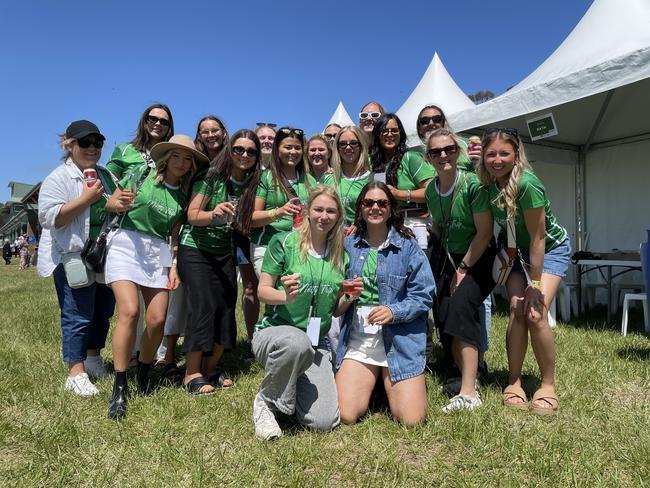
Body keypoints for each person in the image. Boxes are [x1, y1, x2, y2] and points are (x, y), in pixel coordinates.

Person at [104, 134, 206, 419]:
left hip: (158, 251)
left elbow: (174, 235)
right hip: (126, 243)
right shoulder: (141, 174)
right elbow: (110, 204)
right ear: (166, 157)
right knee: (130, 311)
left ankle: (144, 372)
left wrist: (173, 265)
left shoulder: (184, 195)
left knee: (158, 319)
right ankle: (120, 386)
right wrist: (117, 204)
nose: (182, 163)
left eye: (188, 159)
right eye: (177, 156)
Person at [478, 128, 571, 415]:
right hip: (515, 253)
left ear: (516, 154)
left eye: (504, 153)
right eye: (490, 153)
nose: (497, 159)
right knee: (517, 312)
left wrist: (536, 282)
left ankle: (547, 385)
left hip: (547, 249)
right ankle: (514, 381)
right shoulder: (489, 184)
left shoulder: (528, 184)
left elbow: (539, 238)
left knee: (535, 312)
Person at [252, 186, 356, 440]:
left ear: (338, 216)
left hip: (315, 342)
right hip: (277, 334)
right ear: (308, 212)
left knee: (324, 422)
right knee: (295, 344)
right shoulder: (284, 242)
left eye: (331, 211)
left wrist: (349, 297)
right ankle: (266, 402)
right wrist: (284, 297)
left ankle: (291, 382)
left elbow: (334, 309)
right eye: (318, 209)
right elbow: (262, 291)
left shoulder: (341, 256)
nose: (324, 216)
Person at [336, 182, 435, 425]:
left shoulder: (408, 246)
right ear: (360, 207)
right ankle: (377, 383)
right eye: (368, 203)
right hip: (359, 339)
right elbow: (334, 291)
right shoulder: (347, 244)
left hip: (399, 339)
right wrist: (348, 294)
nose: (375, 208)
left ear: (391, 209)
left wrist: (394, 311)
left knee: (412, 420)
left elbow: (424, 295)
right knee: (346, 414)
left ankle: (385, 382)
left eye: (382, 203)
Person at [37, 120, 117, 396]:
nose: (92, 148)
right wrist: (85, 200)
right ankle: (75, 371)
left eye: (97, 142)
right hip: (72, 255)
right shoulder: (59, 177)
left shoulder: (105, 174)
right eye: (85, 142)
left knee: (103, 310)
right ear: (68, 145)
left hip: (104, 254)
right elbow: (48, 218)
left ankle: (93, 359)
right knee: (77, 313)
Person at [178, 129, 261, 393]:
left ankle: (211, 368)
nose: (244, 155)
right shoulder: (211, 176)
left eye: (250, 151)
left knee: (225, 306)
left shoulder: (252, 183)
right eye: (238, 149)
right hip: (196, 249)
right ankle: (191, 373)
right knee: (203, 306)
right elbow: (192, 216)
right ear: (229, 150)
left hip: (224, 250)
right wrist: (213, 213)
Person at [424, 128, 495, 412]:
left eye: (449, 149)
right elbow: (439, 225)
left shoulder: (473, 185)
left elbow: (485, 233)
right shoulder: (431, 189)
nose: (443, 155)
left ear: (458, 151)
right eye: (436, 151)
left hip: (478, 257)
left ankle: (469, 393)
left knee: (462, 309)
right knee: (443, 314)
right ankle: (466, 373)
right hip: (448, 257)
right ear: (428, 157)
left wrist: (463, 267)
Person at [250, 127, 316, 276]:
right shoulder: (265, 177)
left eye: (297, 148)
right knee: (276, 295)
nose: (293, 152)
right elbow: (252, 219)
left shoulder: (309, 180)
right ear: (277, 149)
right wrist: (278, 212)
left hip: (300, 248)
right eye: (287, 147)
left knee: (294, 297)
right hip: (267, 246)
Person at [369, 114, 435, 250]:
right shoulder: (373, 164)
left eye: (394, 130)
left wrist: (399, 194)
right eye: (384, 130)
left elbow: (433, 192)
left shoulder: (411, 158)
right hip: (384, 227)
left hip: (414, 225)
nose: (389, 134)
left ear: (401, 134)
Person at [106, 103, 174, 179]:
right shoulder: (124, 149)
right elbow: (108, 181)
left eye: (164, 122)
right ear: (145, 122)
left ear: (169, 127)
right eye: (153, 119)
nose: (158, 123)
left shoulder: (173, 157)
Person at [323, 125, 371, 227]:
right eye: (343, 144)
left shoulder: (373, 179)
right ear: (337, 148)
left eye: (353, 143)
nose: (348, 147)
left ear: (361, 145)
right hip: (332, 238)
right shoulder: (327, 178)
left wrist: (359, 224)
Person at [415, 104, 478, 172]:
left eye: (436, 119)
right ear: (419, 129)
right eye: (425, 121)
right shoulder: (413, 157)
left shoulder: (466, 145)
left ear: (444, 124)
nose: (431, 123)